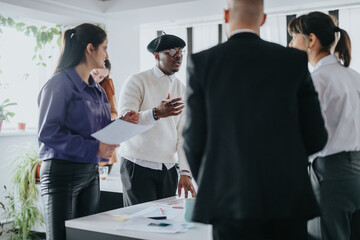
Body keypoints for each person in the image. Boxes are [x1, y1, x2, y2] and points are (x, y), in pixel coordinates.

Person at [183, 0, 328, 239]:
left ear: (226, 14)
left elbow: (192, 139)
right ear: (263, 19)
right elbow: (317, 137)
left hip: (229, 201)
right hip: (288, 198)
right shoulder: (293, 61)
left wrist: (217, 182)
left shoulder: (203, 63)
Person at [38, 23, 139, 240]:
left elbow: (100, 131)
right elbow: (48, 132)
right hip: (61, 174)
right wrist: (96, 147)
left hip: (90, 173)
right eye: (104, 48)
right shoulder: (59, 84)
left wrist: (122, 123)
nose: (107, 54)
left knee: (85, 237)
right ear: (90, 49)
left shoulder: (97, 90)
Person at [289, 11, 360, 240]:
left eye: (294, 37)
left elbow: (303, 135)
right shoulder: (355, 76)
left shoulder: (316, 81)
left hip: (331, 177)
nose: (290, 43)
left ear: (311, 40)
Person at [118, 34, 196, 207]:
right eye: (172, 51)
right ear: (156, 55)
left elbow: (183, 135)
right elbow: (125, 125)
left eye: (181, 51)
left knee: (164, 226)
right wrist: (155, 113)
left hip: (168, 168)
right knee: (139, 225)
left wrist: (185, 171)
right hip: (137, 164)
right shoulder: (137, 81)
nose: (178, 55)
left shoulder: (181, 88)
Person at [91, 59, 118, 173]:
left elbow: (114, 113)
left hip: (104, 142)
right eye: (95, 73)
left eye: (101, 77)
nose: (96, 79)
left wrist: (98, 117)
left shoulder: (106, 84)